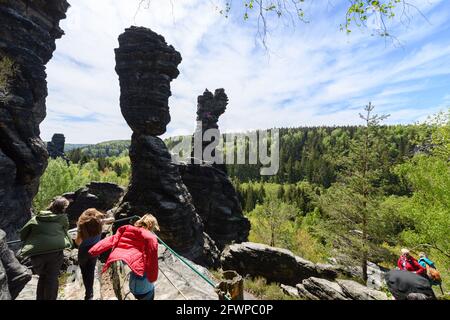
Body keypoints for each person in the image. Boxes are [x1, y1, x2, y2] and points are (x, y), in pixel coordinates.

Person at [89, 214, 159, 300]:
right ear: (152, 225)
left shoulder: (127, 229)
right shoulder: (150, 238)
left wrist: (94, 250)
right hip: (143, 286)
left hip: (133, 283)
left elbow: (111, 239)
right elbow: (153, 261)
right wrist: (153, 278)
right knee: (150, 293)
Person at [19, 197, 73, 300]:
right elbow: (65, 231)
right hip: (55, 252)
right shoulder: (62, 219)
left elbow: (23, 234)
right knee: (52, 278)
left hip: (36, 253)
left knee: (42, 277)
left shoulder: (36, 218)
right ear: (63, 208)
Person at [74, 208, 114, 300]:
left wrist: (78, 232)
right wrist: (104, 219)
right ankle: (90, 294)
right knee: (91, 270)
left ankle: (88, 293)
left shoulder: (82, 226)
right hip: (95, 249)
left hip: (83, 251)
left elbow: (78, 242)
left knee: (84, 272)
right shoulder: (99, 222)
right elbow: (112, 219)